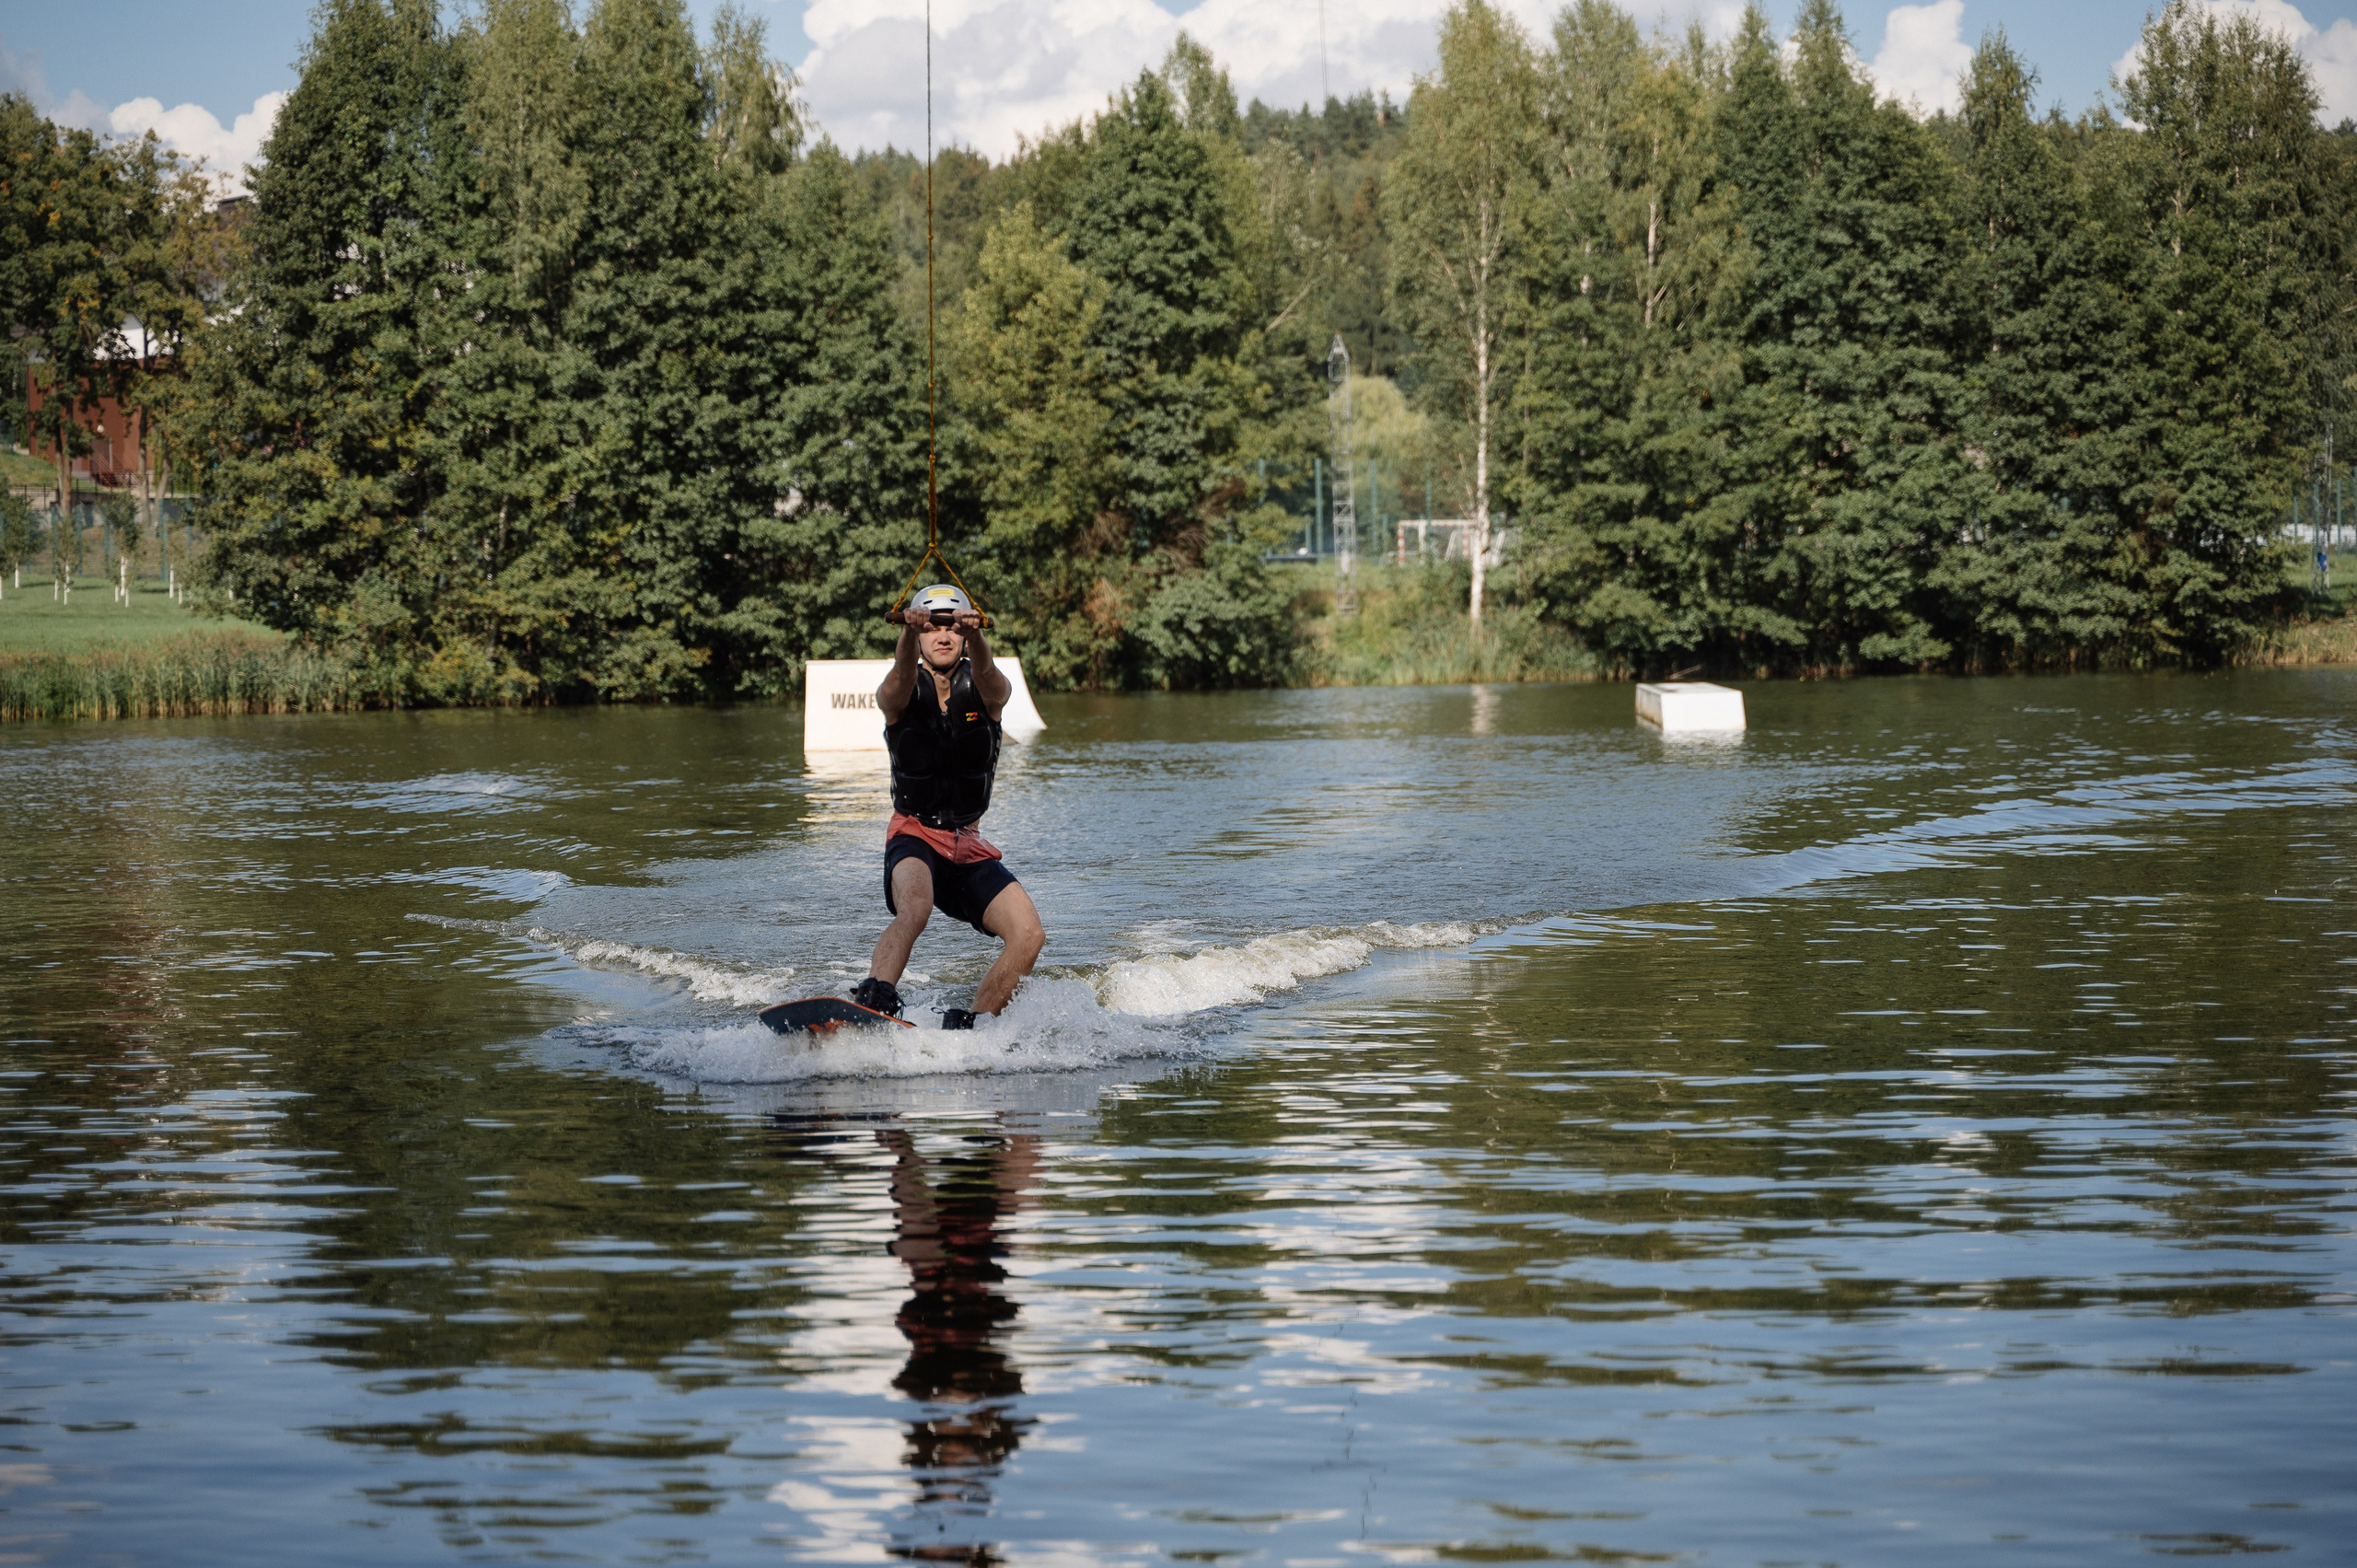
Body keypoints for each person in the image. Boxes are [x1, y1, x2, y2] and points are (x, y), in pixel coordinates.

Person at [848, 584, 1047, 1029]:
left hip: (967, 843)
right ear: (918, 637)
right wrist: (905, 635)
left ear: (964, 636)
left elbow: (993, 677)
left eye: (953, 628)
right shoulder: (899, 691)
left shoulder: (988, 692)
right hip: (914, 834)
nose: (943, 635)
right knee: (915, 906)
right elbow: (896, 683)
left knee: (1029, 935)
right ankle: (874, 1001)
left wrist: (977, 635)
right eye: (932, 627)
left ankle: (977, 1024)